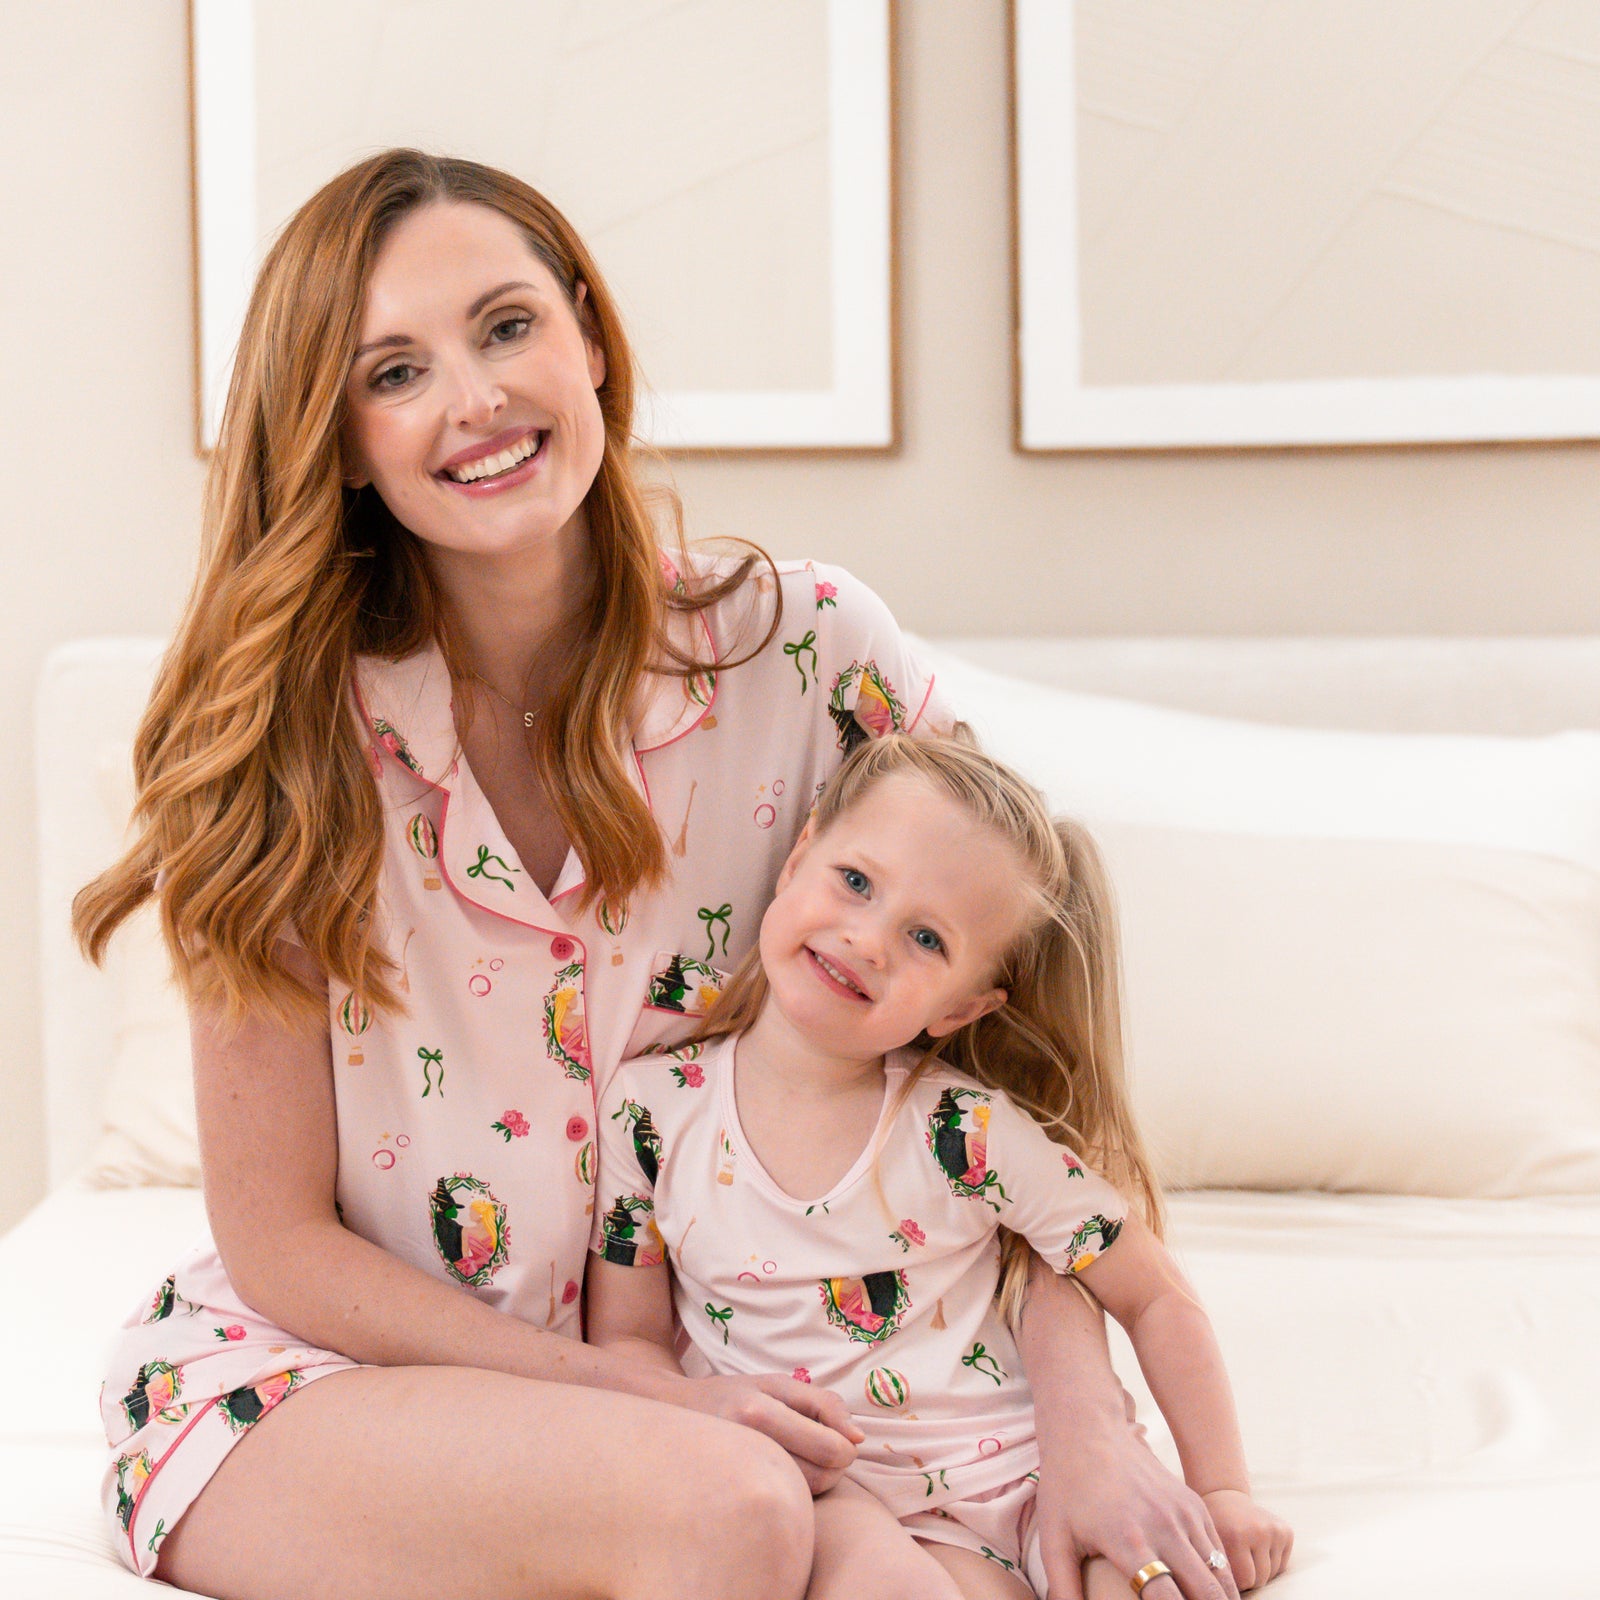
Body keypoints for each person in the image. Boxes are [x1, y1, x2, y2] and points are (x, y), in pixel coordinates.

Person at [74, 148, 1240, 1600]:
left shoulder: (813, 656)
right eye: (394, 371)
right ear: (340, 438)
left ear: (590, 338)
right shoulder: (279, 746)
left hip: (749, 1400)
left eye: (506, 328)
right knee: (734, 1513)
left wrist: (1086, 1420)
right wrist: (635, 1396)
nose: (475, 398)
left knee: (786, 1516)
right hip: (326, 1388)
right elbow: (278, 1244)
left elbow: (1026, 1094)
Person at [586, 731, 1293, 1600]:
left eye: (926, 937)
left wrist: (1223, 1488)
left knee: (1145, 1586)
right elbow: (627, 1336)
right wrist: (701, 1423)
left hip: (1031, 1479)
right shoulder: (648, 1113)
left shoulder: (965, 1131)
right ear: (799, 855)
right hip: (833, 1488)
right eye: (855, 882)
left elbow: (1154, 1293)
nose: (870, 940)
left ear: (963, 1006)